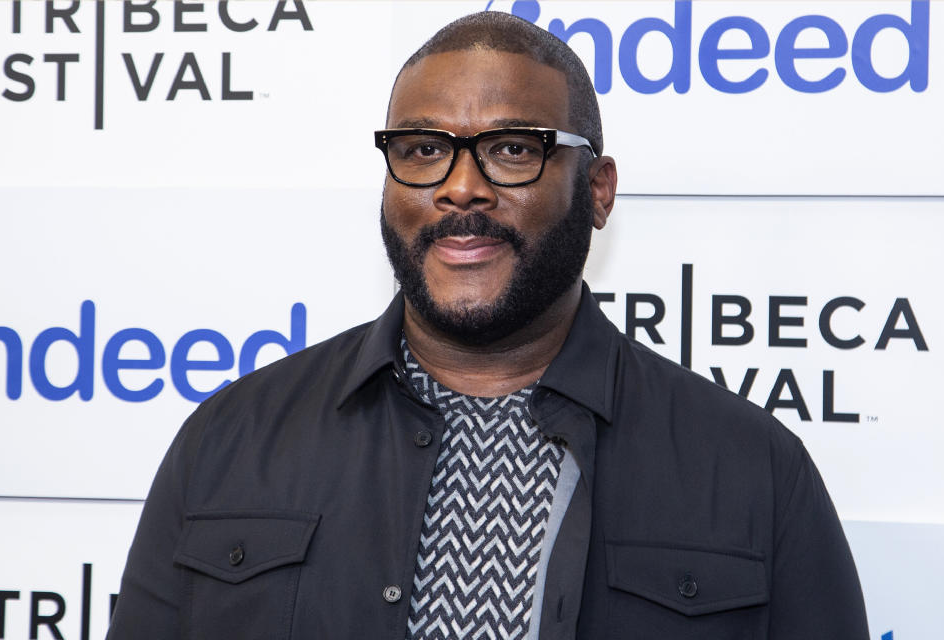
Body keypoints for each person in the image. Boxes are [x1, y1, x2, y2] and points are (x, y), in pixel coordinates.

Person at [107, 11, 869, 640]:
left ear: (597, 191)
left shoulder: (752, 471)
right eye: (422, 150)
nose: (459, 187)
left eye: (512, 150)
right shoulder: (230, 441)